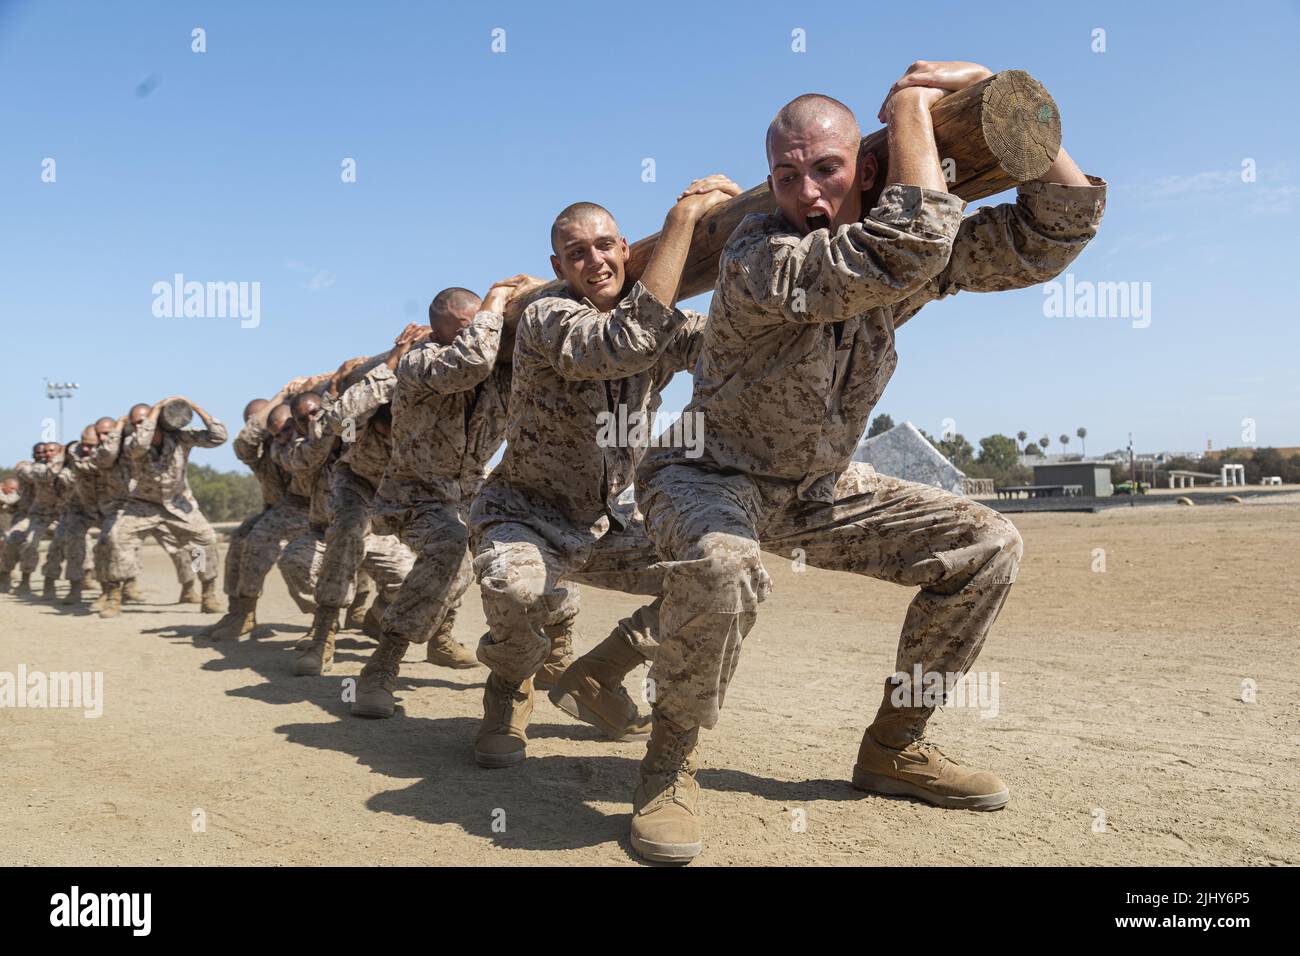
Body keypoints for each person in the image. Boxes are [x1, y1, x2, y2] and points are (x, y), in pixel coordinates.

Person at [629, 61, 1107, 862]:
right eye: (787, 176)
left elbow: (1050, 235)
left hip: (821, 488)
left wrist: (998, 92)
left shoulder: (895, 248)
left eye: (827, 169)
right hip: (711, 475)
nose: (807, 193)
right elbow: (906, 248)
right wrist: (914, 107)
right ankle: (667, 764)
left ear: (870, 167)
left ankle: (895, 745)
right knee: (721, 566)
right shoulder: (759, 254)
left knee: (987, 544)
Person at [469, 175, 739, 768]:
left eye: (605, 245)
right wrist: (682, 223)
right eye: (577, 253)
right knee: (514, 588)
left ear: (625, 250)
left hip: (606, 523)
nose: (594, 261)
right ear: (558, 265)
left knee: (721, 576)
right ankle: (510, 687)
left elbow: (736, 341)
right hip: (526, 517)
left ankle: (603, 668)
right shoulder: (547, 317)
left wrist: (746, 228)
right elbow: (623, 343)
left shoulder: (659, 318)